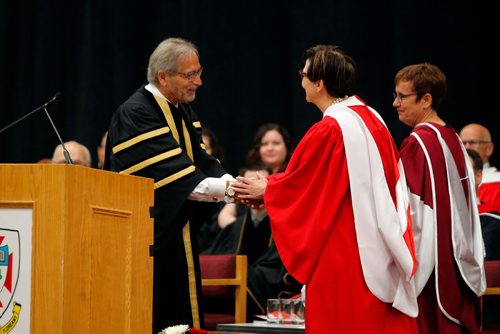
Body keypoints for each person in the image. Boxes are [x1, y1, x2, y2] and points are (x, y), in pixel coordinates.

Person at [232, 44, 419, 333]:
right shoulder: (371, 117)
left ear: (319, 83)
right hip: (377, 239)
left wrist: (267, 190)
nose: (301, 80)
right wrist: (270, 189)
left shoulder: (330, 128)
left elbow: (305, 185)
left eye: (303, 74)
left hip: (346, 247)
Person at [104, 37, 235, 333]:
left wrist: (232, 183)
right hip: (147, 239)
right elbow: (179, 179)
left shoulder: (180, 109)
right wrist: (231, 191)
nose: (199, 81)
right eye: (190, 74)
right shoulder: (135, 113)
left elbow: (201, 160)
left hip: (179, 235)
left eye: (199, 72)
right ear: (163, 76)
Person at [393, 63, 486, 333]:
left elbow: (413, 215)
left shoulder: (416, 144)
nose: (395, 103)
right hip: (457, 264)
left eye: (402, 96)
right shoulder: (452, 138)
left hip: (432, 271)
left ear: (426, 99)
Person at [203, 163, 301, 320]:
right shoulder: (235, 227)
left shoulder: (285, 225)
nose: (252, 188)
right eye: (247, 183)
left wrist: (247, 274)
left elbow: (281, 270)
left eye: (258, 182)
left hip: (266, 290)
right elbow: (216, 258)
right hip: (231, 294)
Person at [467, 148, 500, 261]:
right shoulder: (435, 219)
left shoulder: (494, 223)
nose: (457, 177)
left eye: (465, 170)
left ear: (478, 176)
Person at [460, 123, 500, 211]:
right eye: (462, 143)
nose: (466, 147)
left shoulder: (497, 184)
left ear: (489, 149)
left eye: (472, 142)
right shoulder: (450, 179)